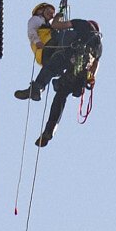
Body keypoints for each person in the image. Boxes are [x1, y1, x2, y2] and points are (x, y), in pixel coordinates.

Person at [26, 16, 101, 147]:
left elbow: (56, 26)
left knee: (51, 67)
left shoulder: (82, 24)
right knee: (60, 97)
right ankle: (50, 129)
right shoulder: (99, 46)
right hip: (80, 74)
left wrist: (58, 16)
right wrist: (91, 79)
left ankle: (38, 87)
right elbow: (95, 66)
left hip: (70, 55)